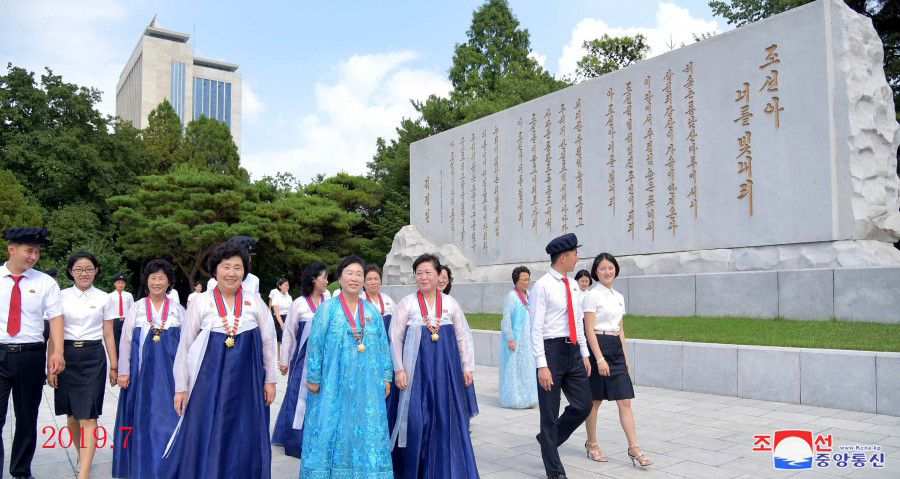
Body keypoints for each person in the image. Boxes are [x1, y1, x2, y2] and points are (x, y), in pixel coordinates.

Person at [159, 241, 277, 478]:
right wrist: (181, 387)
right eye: (226, 267)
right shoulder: (201, 302)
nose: (232, 273)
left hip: (247, 382)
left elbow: (269, 342)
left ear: (244, 271)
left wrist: (270, 380)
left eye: (237, 267)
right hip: (207, 383)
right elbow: (185, 345)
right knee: (205, 428)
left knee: (244, 431)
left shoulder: (254, 302)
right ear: (215, 270)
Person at [299, 256, 394, 478]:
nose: (354, 278)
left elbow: (383, 347)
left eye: (358, 274)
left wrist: (386, 375)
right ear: (340, 278)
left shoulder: (372, 312)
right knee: (332, 428)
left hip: (367, 385)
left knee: (365, 430)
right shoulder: (327, 310)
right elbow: (316, 345)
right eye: (349, 273)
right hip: (333, 384)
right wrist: (313, 376)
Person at [391, 254, 479, 478]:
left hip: (446, 371)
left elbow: (462, 336)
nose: (423, 277)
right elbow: (395, 338)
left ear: (439, 275)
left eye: (428, 272)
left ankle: (447, 468)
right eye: (418, 273)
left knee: (446, 418)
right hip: (416, 372)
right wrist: (399, 369)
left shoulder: (450, 303)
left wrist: (467, 367)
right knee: (418, 419)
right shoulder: (407, 303)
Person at [1, 228, 65, 479]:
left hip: (31, 355)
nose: (33, 257)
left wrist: (57, 351)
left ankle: (20, 471)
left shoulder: (45, 282)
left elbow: (56, 318)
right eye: (29, 251)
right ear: (12, 249)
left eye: (37, 252)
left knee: (27, 417)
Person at [112, 259, 185, 478]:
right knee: (138, 417)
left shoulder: (178, 310)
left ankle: (168, 462)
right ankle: (137, 461)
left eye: (162, 278)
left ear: (169, 282)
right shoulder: (136, 308)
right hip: (140, 375)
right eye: (153, 278)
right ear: (147, 281)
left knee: (167, 419)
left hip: (170, 377)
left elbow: (186, 345)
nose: (157, 282)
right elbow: (125, 342)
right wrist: (123, 371)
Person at [51, 251, 118, 479]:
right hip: (67, 357)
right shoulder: (59, 296)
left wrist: (114, 365)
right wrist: (50, 364)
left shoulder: (104, 298)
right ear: (70, 272)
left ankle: (85, 473)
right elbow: (53, 334)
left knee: (89, 416)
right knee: (72, 416)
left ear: (96, 270)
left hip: (93, 357)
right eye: (79, 269)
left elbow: (108, 333)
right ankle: (81, 454)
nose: (84, 273)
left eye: (89, 268)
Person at [531, 233, 592, 479]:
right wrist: (541, 366)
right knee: (549, 413)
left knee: (583, 405)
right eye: (575, 254)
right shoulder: (542, 286)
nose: (578, 259)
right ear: (564, 257)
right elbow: (535, 328)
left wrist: (585, 353)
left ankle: (549, 440)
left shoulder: (574, 285)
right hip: (551, 351)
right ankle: (555, 471)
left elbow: (578, 321)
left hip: (573, 350)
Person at [582, 253, 651, 467]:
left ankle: (634, 448)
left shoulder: (619, 296)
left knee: (625, 400)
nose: (607, 271)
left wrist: (625, 357)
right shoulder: (591, 295)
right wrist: (599, 359)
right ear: (595, 271)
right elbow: (589, 330)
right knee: (595, 401)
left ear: (616, 269)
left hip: (616, 351)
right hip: (598, 349)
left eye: (610, 267)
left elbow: (620, 329)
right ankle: (591, 444)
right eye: (602, 268)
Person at [272, 262, 330, 459]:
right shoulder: (299, 303)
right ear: (314, 279)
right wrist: (284, 360)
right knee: (297, 395)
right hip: (303, 359)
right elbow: (289, 333)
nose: (327, 281)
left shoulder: (329, 301)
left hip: (326, 359)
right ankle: (295, 439)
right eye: (324, 277)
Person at [436, 264, 478, 427]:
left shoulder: (451, 302)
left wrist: (467, 362)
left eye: (444, 277)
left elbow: (463, 334)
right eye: (438, 276)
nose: (440, 280)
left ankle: (458, 422)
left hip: (450, 354)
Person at [499, 266, 537, 409]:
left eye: (528, 279)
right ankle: (516, 398)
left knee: (528, 367)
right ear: (516, 280)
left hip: (529, 338)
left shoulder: (531, 295)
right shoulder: (511, 296)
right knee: (515, 368)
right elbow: (507, 319)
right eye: (524, 279)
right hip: (517, 338)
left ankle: (529, 397)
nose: (527, 282)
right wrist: (510, 339)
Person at [110, 273, 134, 359]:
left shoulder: (129, 295)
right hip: (115, 320)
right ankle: (116, 360)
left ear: (125, 284)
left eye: (122, 283)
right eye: (118, 282)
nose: (120, 285)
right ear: (115, 284)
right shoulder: (110, 296)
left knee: (126, 340)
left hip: (126, 320)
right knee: (116, 341)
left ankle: (127, 358)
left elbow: (132, 309)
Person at [267, 277, 292, 358]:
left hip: (287, 318)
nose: (287, 287)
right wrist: (281, 324)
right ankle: (278, 358)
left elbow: (291, 310)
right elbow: (277, 312)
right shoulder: (276, 296)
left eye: (288, 285)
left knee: (288, 339)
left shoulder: (289, 297)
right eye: (285, 285)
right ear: (280, 286)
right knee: (278, 339)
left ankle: (286, 357)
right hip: (278, 319)